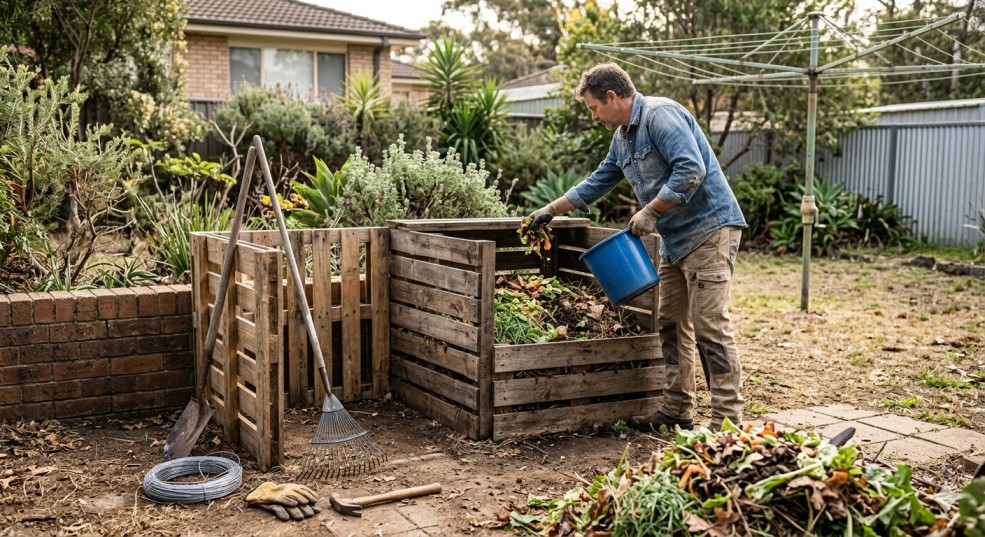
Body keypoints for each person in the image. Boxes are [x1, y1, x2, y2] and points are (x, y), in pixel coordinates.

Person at [528, 63, 747, 432]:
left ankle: (728, 424)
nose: (594, 116)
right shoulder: (623, 138)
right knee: (670, 323)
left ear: (612, 97)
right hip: (675, 241)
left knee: (710, 326)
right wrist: (551, 209)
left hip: (709, 231)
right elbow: (598, 181)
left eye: (594, 108)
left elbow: (691, 169)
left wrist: (650, 210)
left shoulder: (661, 116)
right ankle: (678, 408)